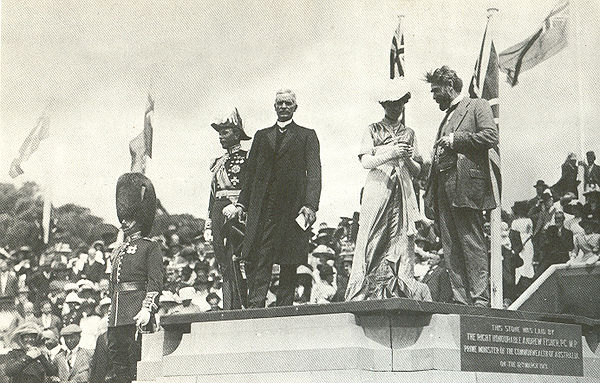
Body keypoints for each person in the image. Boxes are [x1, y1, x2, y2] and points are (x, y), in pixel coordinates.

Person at [228, 89, 322, 308]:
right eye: (279, 103)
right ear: (274, 106)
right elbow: (250, 173)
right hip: (265, 206)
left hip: (293, 206)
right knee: (262, 254)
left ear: (295, 107)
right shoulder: (262, 136)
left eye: (288, 103)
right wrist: (242, 202)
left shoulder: (307, 135)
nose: (283, 107)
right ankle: (255, 303)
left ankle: (284, 305)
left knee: (289, 258)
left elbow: (314, 172)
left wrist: (310, 205)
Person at [423, 66, 498, 307]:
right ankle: (461, 300)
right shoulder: (445, 117)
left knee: (470, 241)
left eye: (435, 91)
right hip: (443, 187)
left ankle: (479, 299)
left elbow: (490, 136)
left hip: (466, 184)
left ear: (449, 86)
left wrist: (457, 140)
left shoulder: (477, 105)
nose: (433, 96)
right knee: (451, 245)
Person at [346, 78, 425, 301]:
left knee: (401, 236)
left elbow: (418, 169)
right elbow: (366, 162)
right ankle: (369, 289)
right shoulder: (372, 129)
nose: (395, 108)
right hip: (379, 186)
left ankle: (400, 285)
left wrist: (407, 159)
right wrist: (391, 153)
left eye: (399, 104)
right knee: (373, 233)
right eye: (390, 104)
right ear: (384, 106)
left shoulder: (409, 133)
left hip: (402, 187)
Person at [107, 173, 164, 383]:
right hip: (117, 313)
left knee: (139, 362)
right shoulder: (119, 249)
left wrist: (147, 308)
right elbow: (113, 285)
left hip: (137, 311)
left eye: (128, 217)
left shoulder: (150, 246)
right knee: (118, 363)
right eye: (122, 217)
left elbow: (156, 281)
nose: (123, 221)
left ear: (139, 218)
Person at [207, 108, 250, 310]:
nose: (220, 137)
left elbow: (250, 187)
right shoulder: (218, 162)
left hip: (236, 212)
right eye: (219, 133)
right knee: (222, 259)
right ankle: (229, 304)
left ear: (237, 133)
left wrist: (239, 206)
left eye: (225, 132)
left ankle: (242, 303)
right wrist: (208, 222)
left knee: (237, 258)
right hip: (218, 210)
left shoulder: (247, 157)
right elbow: (212, 193)